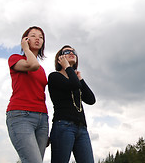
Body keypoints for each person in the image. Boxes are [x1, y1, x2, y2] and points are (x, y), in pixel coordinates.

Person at [6, 26, 49, 163]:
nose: (37, 38)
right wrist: (25, 49)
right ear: (25, 39)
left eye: (41, 37)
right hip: (21, 115)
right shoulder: (15, 59)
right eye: (33, 35)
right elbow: (32, 65)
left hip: (42, 119)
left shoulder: (42, 70)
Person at [48, 45, 96, 163]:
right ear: (60, 58)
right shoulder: (54, 76)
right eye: (67, 51)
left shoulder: (76, 80)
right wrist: (68, 68)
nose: (72, 53)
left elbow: (91, 100)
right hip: (63, 126)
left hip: (82, 129)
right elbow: (74, 85)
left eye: (74, 51)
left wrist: (81, 79)